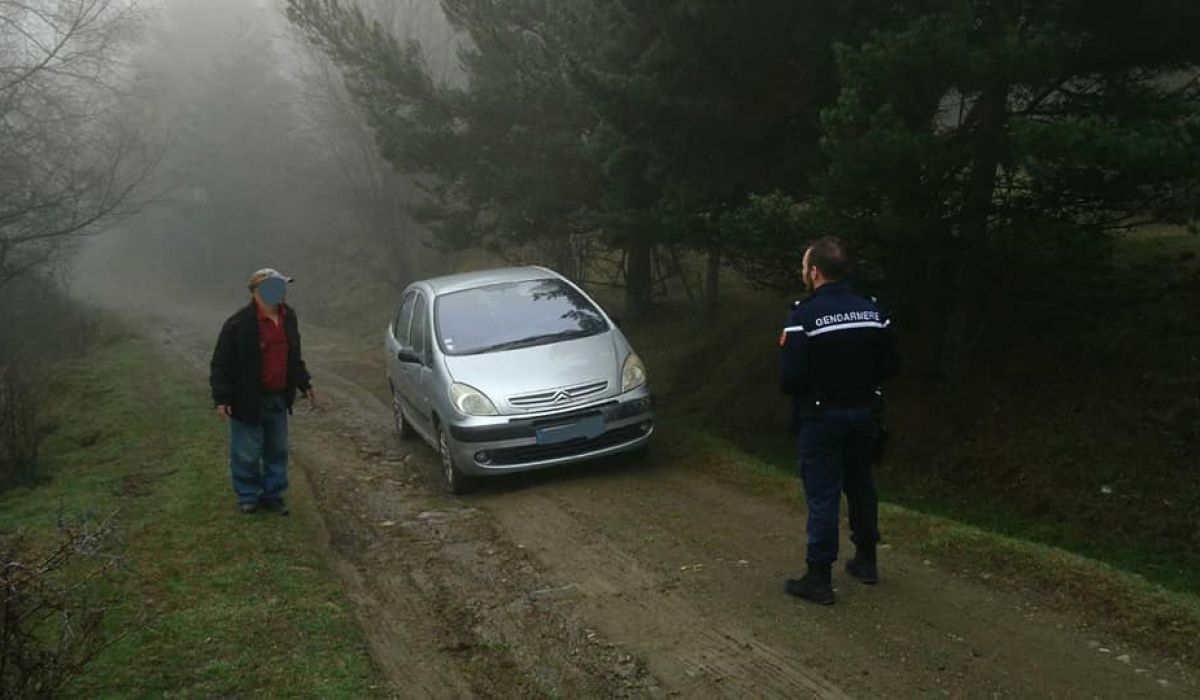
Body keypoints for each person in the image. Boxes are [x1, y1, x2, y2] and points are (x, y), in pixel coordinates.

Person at [779, 237, 900, 604]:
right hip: (865, 414)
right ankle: (866, 561)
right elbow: (892, 365)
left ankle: (818, 579)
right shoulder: (873, 311)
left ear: (814, 271)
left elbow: (790, 378)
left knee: (823, 495)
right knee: (861, 485)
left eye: (804, 266)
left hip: (821, 417)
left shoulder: (803, 317)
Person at [210, 268, 316, 515]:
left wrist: (305, 383)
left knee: (277, 450)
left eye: (282, 287)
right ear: (256, 292)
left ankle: (273, 495)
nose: (281, 293)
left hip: (278, 397)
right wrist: (221, 398)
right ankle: (248, 496)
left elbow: (293, 356)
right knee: (246, 452)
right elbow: (220, 364)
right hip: (246, 399)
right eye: (274, 288)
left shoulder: (289, 317)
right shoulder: (237, 325)